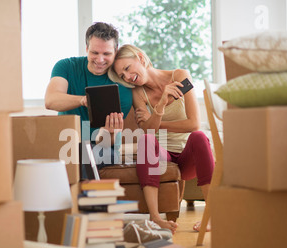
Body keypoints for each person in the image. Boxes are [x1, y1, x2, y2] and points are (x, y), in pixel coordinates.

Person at [108, 44, 215, 233]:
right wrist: (160, 106)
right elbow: (149, 133)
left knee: (199, 136)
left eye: (127, 68)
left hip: (187, 158)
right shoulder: (137, 93)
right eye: (123, 76)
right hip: (162, 157)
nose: (128, 77)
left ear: (140, 57)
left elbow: (194, 124)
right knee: (147, 141)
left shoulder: (180, 76)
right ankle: (155, 218)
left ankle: (212, 215)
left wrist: (155, 122)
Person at [45, 22, 133, 173]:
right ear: (86, 48)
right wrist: (85, 100)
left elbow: (107, 141)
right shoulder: (66, 66)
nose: (100, 60)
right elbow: (51, 100)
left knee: (88, 154)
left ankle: (83, 196)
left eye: (106, 54)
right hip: (68, 143)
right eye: (94, 53)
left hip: (103, 146)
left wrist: (109, 131)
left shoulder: (122, 86)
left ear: (115, 51)